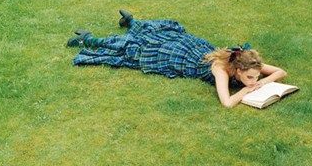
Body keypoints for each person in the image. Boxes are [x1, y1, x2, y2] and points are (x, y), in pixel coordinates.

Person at [66, 10, 287, 108]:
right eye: (249, 77)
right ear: (237, 70)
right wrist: (246, 90)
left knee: (152, 37)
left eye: (254, 76)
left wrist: (261, 82)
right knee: (137, 50)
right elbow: (227, 103)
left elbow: (281, 72)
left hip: (194, 48)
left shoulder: (247, 62)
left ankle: (132, 23)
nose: (252, 79)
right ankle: (90, 40)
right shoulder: (221, 69)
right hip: (178, 57)